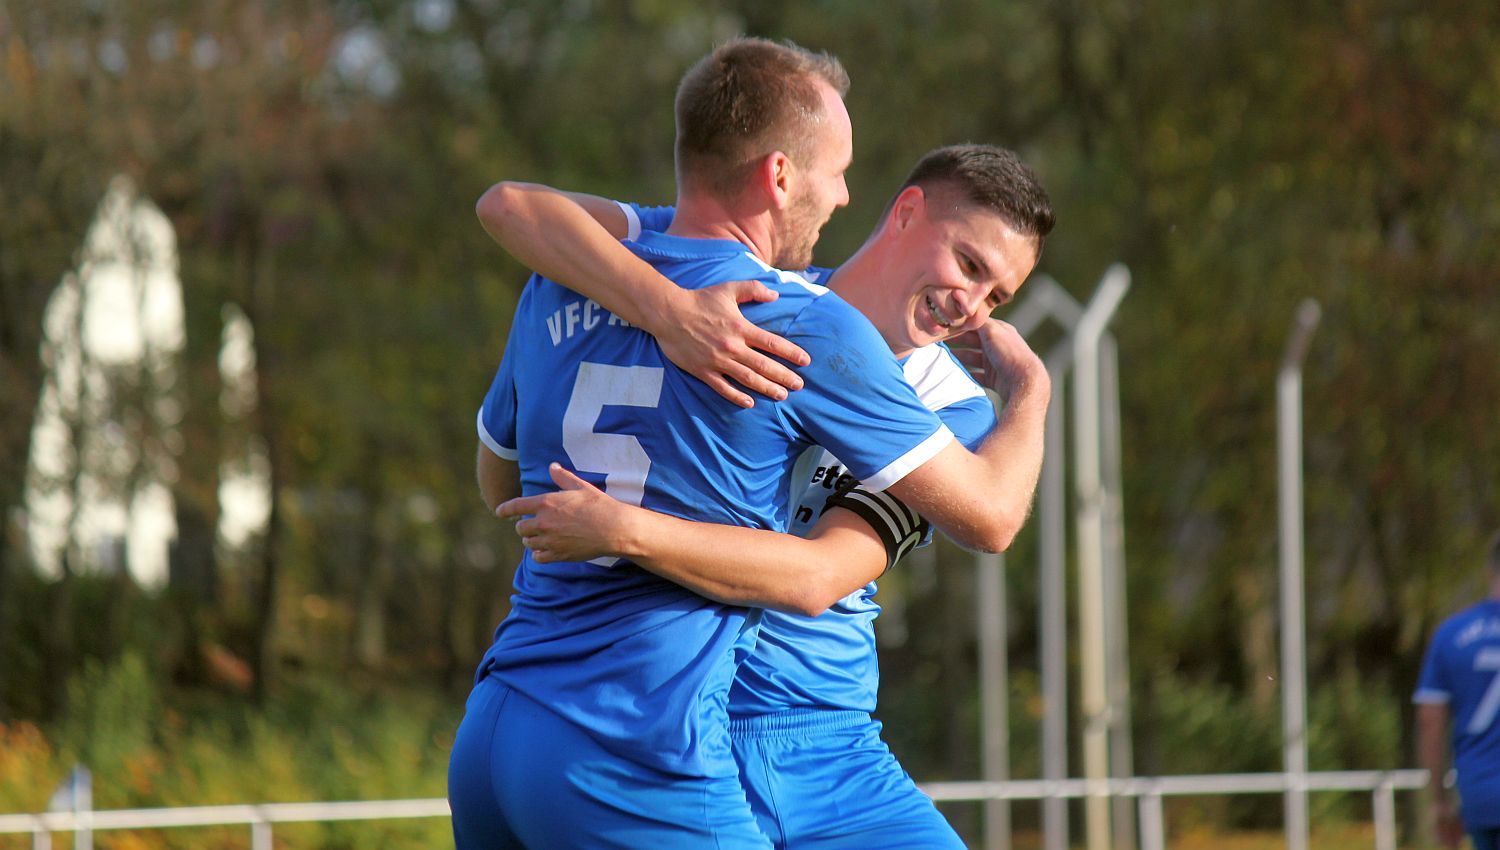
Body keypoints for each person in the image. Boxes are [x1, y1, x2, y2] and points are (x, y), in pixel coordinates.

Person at [449, 37, 1050, 849]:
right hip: (657, 726)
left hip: (785, 731)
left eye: (999, 294)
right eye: (968, 262)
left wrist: (621, 524)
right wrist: (669, 311)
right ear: (905, 211)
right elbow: (992, 518)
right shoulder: (786, 317)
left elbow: (511, 211)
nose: (973, 305)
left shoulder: (588, 271)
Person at [1416, 531, 1500, 850]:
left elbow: (1430, 720)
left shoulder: (1451, 634)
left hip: (1480, 796)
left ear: (1489, 571)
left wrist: (1438, 800)